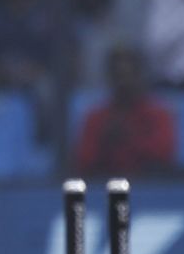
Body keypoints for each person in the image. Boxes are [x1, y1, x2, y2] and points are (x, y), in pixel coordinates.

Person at [74, 47, 176, 179]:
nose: (124, 83)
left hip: (148, 188)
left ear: (139, 76)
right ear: (110, 78)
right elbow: (82, 162)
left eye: (129, 76)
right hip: (104, 188)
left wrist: (130, 138)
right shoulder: (96, 118)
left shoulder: (158, 115)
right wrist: (104, 141)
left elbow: (165, 155)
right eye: (118, 77)